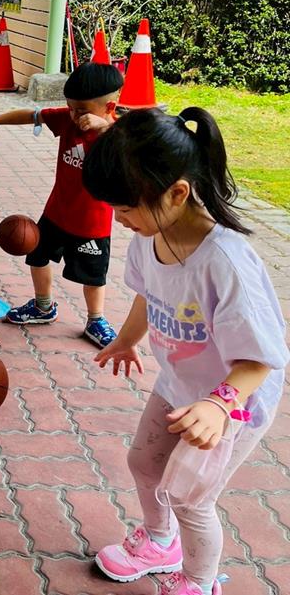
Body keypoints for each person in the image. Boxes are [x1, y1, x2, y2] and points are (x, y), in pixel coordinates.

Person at [84, 107, 288, 595]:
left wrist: (219, 405)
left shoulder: (225, 262)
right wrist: (126, 339)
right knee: (144, 464)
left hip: (233, 403)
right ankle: (160, 543)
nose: (118, 219)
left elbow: (261, 357)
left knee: (190, 497)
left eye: (126, 208)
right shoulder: (149, 236)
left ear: (177, 193)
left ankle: (199, 582)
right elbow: (147, 294)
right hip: (180, 384)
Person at [0, 62, 121, 347]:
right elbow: (32, 115)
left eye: (81, 110)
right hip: (56, 213)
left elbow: (144, 136)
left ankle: (96, 320)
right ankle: (43, 306)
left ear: (109, 106)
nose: (74, 115)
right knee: (36, 256)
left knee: (93, 277)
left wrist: (108, 127)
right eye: (70, 107)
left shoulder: (119, 135)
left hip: (93, 223)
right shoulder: (67, 120)